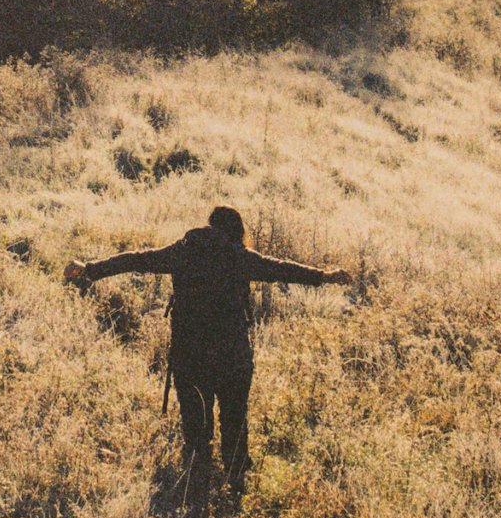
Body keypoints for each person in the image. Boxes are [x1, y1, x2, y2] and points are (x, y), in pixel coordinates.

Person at [65, 205, 352, 500]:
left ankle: (196, 491)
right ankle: (236, 484)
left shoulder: (183, 251)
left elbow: (136, 260)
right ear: (236, 231)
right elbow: (282, 269)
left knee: (196, 429)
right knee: (235, 419)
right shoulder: (239, 256)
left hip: (190, 355)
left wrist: (89, 269)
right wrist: (325, 277)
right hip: (232, 355)